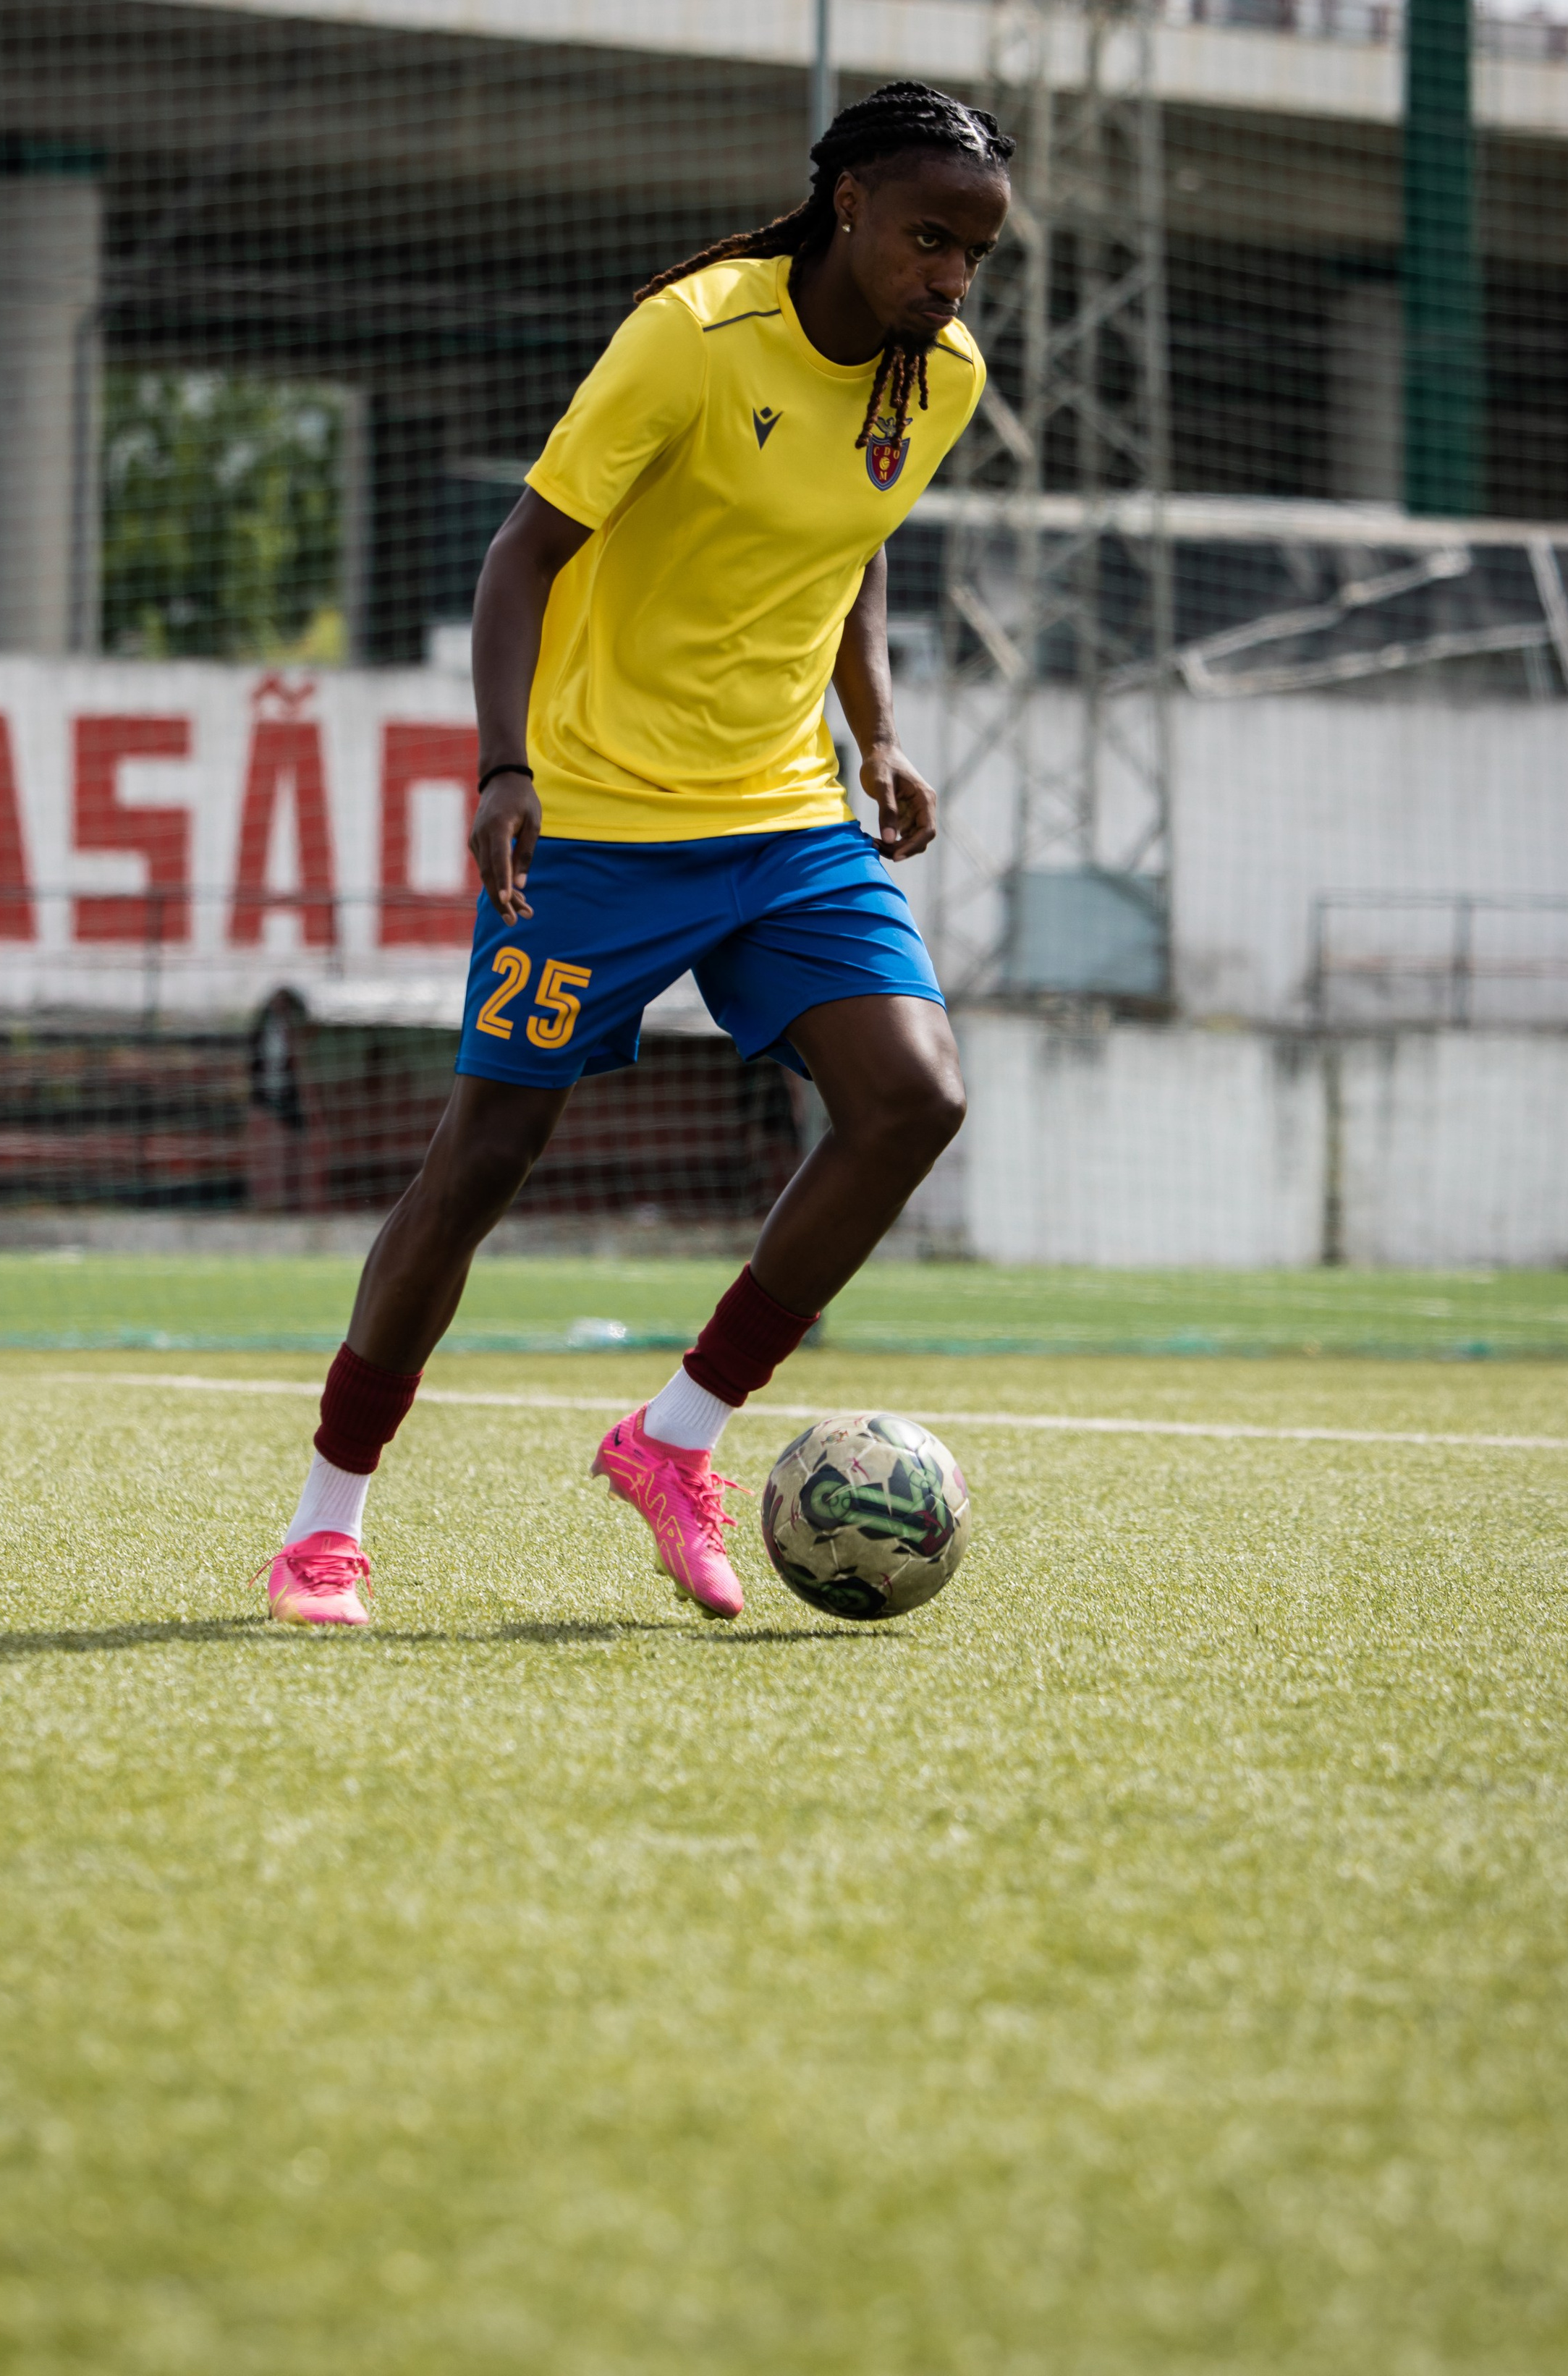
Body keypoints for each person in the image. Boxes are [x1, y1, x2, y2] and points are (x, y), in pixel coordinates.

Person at [266, 79, 1014, 1628]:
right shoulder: (692, 334)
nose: (948, 279)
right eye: (928, 239)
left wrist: (871, 732)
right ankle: (323, 1522)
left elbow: (849, 545)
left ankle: (673, 1438)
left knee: (910, 1099)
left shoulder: (935, 378)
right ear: (849, 205)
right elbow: (520, 553)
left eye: (975, 255)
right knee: (482, 1164)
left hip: (785, 821)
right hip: (600, 823)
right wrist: (501, 768)